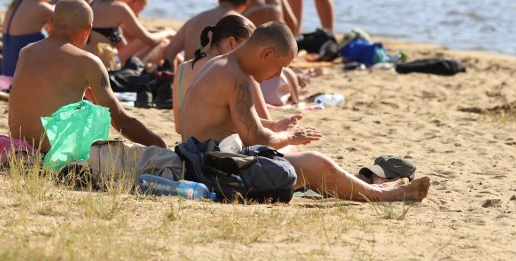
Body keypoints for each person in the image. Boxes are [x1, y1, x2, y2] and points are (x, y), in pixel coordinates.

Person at [180, 22, 430, 202]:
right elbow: (255, 139)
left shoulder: (220, 64)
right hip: (214, 171)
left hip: (205, 159)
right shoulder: (236, 78)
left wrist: (275, 126)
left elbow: (226, 120)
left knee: (295, 155)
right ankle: (387, 194)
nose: (278, 75)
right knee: (314, 162)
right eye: (279, 66)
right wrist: (289, 136)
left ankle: (362, 184)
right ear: (267, 53)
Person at [8, 0, 166, 152]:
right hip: (54, 151)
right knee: (91, 111)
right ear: (87, 30)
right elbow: (119, 119)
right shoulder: (87, 62)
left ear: (51, 22)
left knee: (87, 103)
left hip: (20, 146)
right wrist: (159, 144)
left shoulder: (26, 52)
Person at [173, 14, 255, 135]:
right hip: (222, 150)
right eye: (249, 48)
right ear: (231, 42)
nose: (251, 55)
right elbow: (256, 128)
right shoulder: (236, 72)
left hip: (188, 149)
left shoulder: (182, 69)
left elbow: (179, 128)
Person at [87, 0, 174, 67]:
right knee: (164, 44)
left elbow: (133, 33)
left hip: (94, 63)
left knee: (162, 43)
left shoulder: (95, 3)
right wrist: (168, 32)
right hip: (106, 67)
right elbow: (150, 40)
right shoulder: (119, 7)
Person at [163, 0, 251, 70]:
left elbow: (169, 51)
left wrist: (174, 77)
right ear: (244, 6)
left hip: (189, 81)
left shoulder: (193, 20)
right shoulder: (244, 26)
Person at [1, 0, 56, 77]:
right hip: (21, 76)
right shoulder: (40, 8)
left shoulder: (15, 4)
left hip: (7, 71)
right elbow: (70, 17)